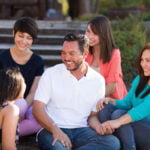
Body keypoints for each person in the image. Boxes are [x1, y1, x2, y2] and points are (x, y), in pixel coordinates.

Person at [33, 32, 120, 150]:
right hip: (52, 129)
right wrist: (55, 130)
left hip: (82, 131)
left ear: (85, 54)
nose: (66, 58)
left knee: (112, 143)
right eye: (63, 53)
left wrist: (99, 127)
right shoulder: (50, 74)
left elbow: (92, 117)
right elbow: (37, 108)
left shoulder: (97, 80)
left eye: (71, 53)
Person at [96, 43, 150, 150]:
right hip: (135, 128)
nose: (143, 64)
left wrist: (117, 122)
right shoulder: (140, 79)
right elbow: (127, 103)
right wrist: (111, 101)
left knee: (118, 114)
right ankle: (113, 144)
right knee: (105, 108)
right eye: (142, 60)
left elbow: (140, 111)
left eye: (148, 61)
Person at [0, 17, 44, 136]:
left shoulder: (37, 61)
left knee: (38, 121)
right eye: (21, 35)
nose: (24, 41)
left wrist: (22, 109)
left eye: (29, 38)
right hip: (4, 102)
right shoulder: (2, 56)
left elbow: (33, 92)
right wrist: (11, 109)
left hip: (27, 103)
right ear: (13, 33)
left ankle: (8, 132)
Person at [85, 15, 127, 99]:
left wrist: (92, 99)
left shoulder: (114, 54)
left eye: (95, 33)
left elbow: (111, 87)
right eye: (88, 31)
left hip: (111, 99)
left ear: (103, 34)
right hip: (89, 98)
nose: (90, 36)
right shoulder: (85, 52)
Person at [0, 68, 26, 150]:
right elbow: (8, 147)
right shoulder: (11, 110)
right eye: (23, 82)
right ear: (16, 86)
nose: (25, 85)